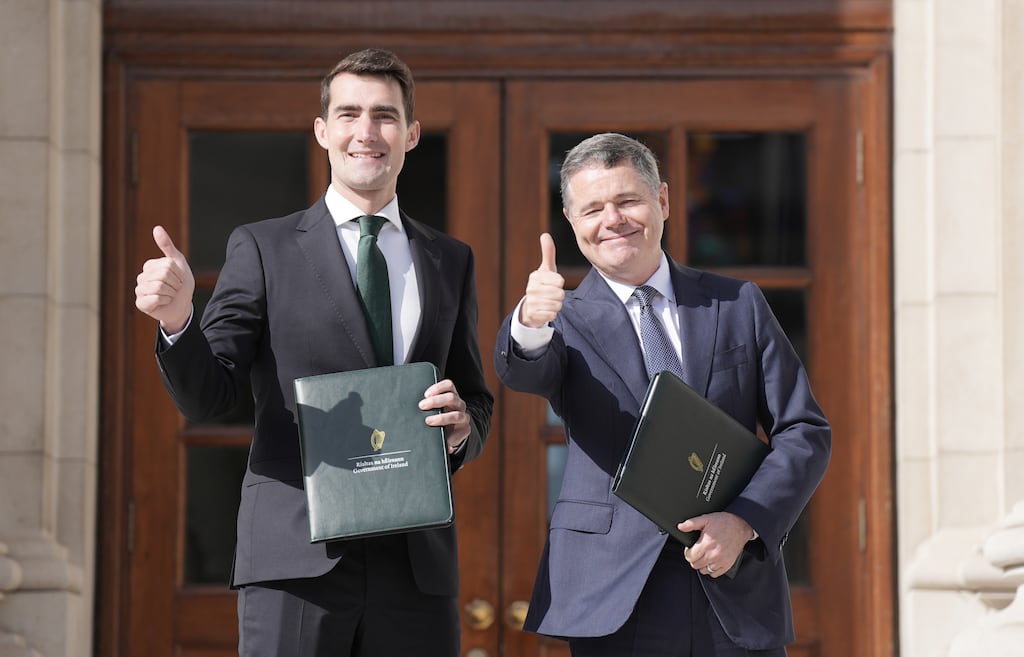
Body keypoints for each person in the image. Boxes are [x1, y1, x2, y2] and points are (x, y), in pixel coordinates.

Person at [134, 48, 493, 657]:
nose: (366, 132)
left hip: (415, 569)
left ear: (410, 134)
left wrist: (462, 428)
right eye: (349, 113)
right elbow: (210, 396)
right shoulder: (263, 247)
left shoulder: (449, 260)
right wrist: (178, 323)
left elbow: (476, 398)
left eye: (384, 115)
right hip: (297, 560)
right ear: (323, 130)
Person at [494, 133, 830, 656]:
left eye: (628, 200)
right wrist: (529, 324)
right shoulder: (563, 320)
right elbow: (524, 373)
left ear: (663, 202)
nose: (613, 219)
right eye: (593, 209)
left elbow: (804, 430)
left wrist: (744, 521)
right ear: (571, 220)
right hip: (615, 595)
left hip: (731, 578)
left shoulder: (737, 302)